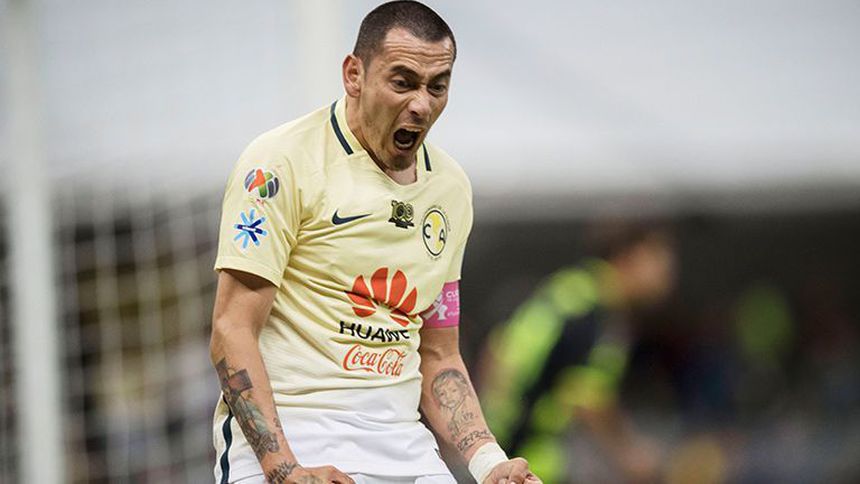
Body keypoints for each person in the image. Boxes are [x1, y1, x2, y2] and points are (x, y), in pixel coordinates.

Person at [209, 2, 541, 483]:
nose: (421, 105)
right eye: (403, 82)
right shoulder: (278, 163)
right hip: (293, 434)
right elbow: (231, 328)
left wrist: (489, 462)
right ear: (354, 75)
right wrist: (284, 471)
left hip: (402, 443)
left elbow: (439, 353)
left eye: (437, 86)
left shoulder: (450, 188)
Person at [480, 221, 676, 483]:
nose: (667, 272)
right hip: (533, 460)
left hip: (502, 451)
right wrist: (631, 455)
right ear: (629, 256)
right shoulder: (600, 311)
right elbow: (589, 398)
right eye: (658, 258)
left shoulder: (568, 289)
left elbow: (496, 348)